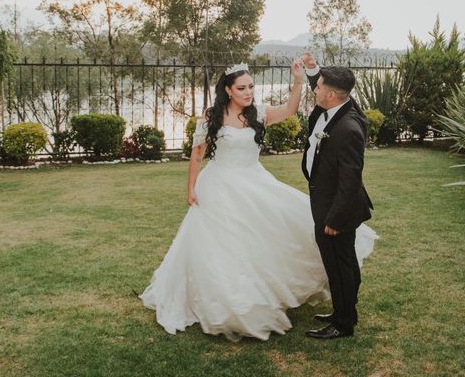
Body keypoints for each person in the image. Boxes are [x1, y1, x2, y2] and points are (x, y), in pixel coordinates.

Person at [139, 57, 377, 342]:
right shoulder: (211, 117)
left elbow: (290, 109)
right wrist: (191, 188)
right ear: (228, 90)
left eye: (251, 86)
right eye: (241, 88)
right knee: (222, 244)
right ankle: (227, 299)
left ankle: (334, 308)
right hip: (219, 186)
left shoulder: (259, 114)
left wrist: (299, 81)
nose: (248, 92)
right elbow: (197, 154)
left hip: (254, 182)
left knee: (273, 234)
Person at [301, 54, 375, 339]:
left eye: (318, 87)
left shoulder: (348, 129)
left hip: (337, 209)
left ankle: (344, 323)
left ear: (331, 95)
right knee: (340, 262)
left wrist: (335, 218)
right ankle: (344, 310)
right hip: (326, 203)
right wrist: (312, 71)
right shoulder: (337, 107)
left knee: (340, 264)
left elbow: (350, 180)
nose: (314, 90)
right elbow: (321, 85)